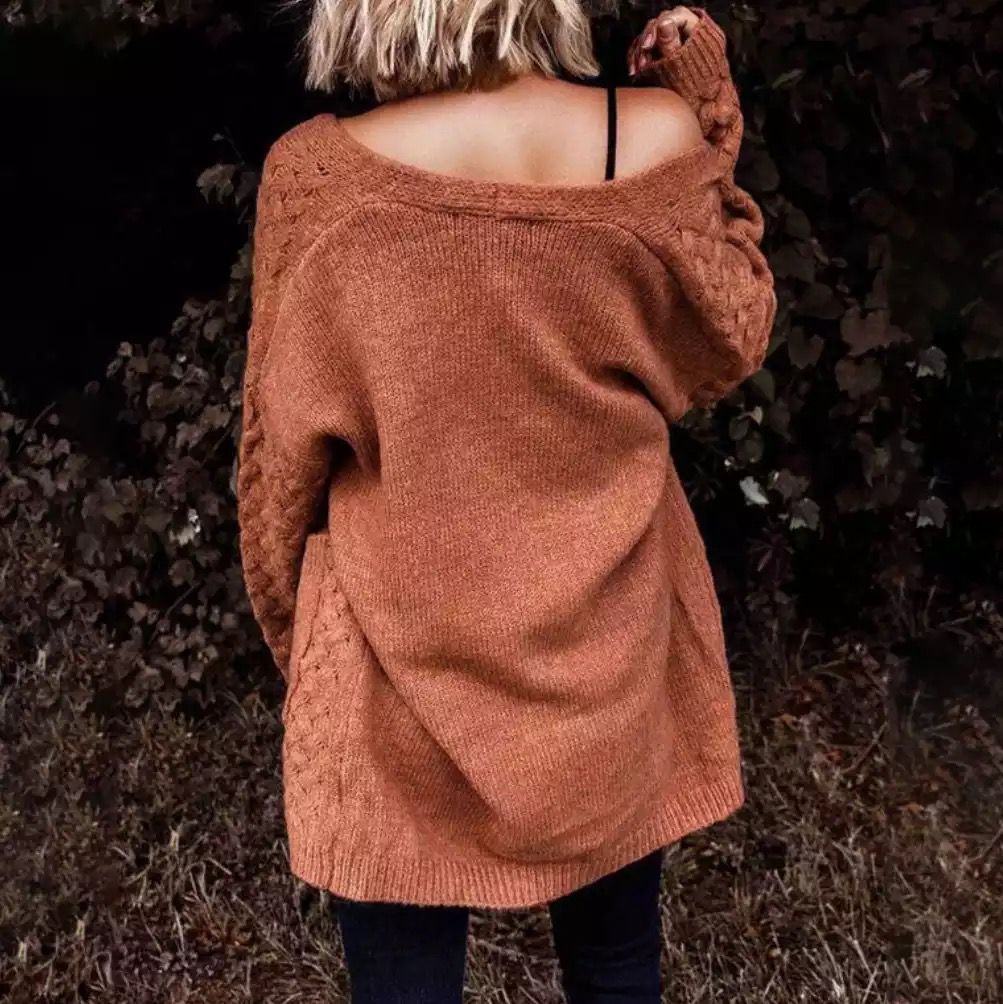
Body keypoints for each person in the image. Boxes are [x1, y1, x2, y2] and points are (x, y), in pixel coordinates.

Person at [236, 2, 777, 1000]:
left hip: (389, 670)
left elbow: (279, 476)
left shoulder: (319, 180)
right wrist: (704, 108)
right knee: (616, 966)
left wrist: (300, 646)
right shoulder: (648, 138)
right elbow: (731, 330)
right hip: (608, 653)